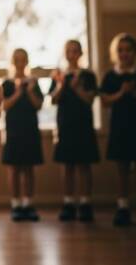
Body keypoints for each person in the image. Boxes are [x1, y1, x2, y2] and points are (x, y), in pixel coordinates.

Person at [99, 33, 136, 227]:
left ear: (135, 52)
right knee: (122, 169)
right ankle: (123, 208)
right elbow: (105, 101)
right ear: (115, 53)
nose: (124, 54)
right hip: (119, 128)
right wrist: (121, 93)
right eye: (120, 50)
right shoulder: (110, 76)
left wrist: (134, 92)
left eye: (128, 50)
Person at [50, 40, 99, 222]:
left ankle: (86, 203)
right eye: (69, 51)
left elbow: (90, 100)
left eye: (75, 51)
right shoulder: (59, 75)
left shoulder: (88, 75)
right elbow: (53, 100)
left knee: (84, 165)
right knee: (67, 165)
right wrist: (62, 85)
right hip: (65, 125)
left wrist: (77, 88)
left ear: (80, 53)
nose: (72, 54)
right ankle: (68, 203)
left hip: (84, 126)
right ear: (65, 53)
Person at [1, 48, 44, 221]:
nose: (20, 63)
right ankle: (16, 205)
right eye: (17, 59)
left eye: (23, 59)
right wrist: (19, 92)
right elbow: (4, 106)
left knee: (29, 168)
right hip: (13, 131)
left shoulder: (33, 82)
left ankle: (28, 204)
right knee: (14, 168)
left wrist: (29, 91)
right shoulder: (7, 83)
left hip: (30, 130)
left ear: (27, 61)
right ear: (13, 62)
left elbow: (38, 105)